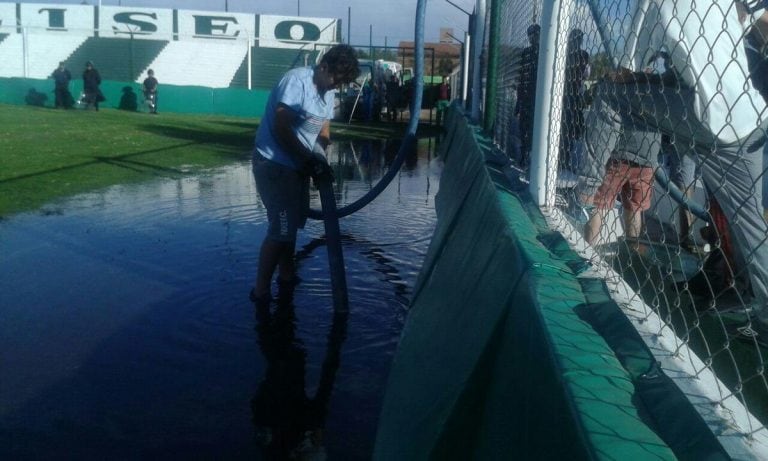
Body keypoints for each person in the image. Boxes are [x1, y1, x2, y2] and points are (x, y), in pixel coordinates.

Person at [585, 0, 768, 344]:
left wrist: (635, 78)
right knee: (751, 230)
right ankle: (751, 301)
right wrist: (641, 78)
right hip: (750, 122)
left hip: (714, 123)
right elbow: (690, 71)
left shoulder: (665, 9)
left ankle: (588, 188)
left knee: (610, 94)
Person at [249, 44, 359, 305]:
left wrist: (321, 152)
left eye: (342, 83)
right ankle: (260, 292)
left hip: (297, 165)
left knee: (293, 224)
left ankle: (286, 276)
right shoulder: (296, 82)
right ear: (323, 67)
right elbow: (281, 127)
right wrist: (309, 159)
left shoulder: (327, 90)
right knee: (281, 228)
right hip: (275, 164)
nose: (337, 87)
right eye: (336, 79)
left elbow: (323, 126)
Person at [583, 87, 661, 248]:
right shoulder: (658, 90)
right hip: (648, 157)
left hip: (620, 153)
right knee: (634, 207)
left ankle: (588, 248)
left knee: (599, 204)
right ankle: (632, 248)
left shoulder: (625, 86)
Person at [560, 29, 590, 172]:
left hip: (565, 94)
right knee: (570, 128)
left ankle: (563, 159)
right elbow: (586, 74)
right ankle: (564, 160)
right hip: (574, 95)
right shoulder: (583, 55)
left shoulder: (564, 53)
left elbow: (585, 74)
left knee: (567, 127)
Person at [515, 24, 541, 168]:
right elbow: (522, 78)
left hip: (539, 97)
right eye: (530, 35)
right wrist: (518, 102)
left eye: (535, 34)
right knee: (524, 127)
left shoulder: (545, 51)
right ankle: (525, 155)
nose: (533, 37)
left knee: (534, 129)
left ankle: (532, 156)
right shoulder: (526, 53)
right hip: (526, 97)